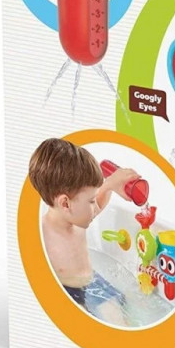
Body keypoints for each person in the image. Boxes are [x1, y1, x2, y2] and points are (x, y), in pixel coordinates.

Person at [28, 138, 140, 325]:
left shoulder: (76, 218)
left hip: (92, 282)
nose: (96, 207)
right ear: (65, 203)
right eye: (91, 201)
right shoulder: (42, 236)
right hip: (68, 291)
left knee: (121, 318)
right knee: (82, 322)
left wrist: (110, 184)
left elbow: (98, 202)